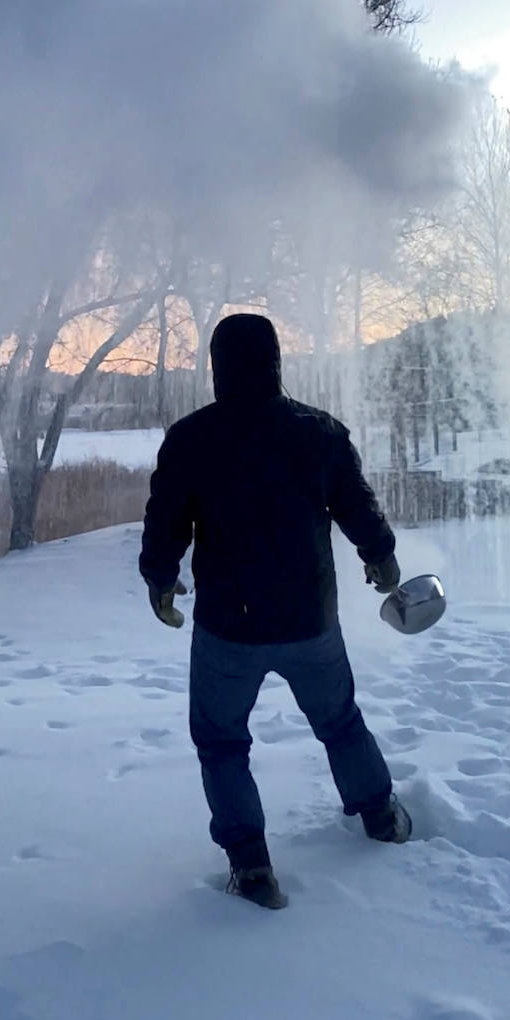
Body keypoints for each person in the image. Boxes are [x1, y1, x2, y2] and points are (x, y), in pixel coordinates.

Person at [139, 313, 411, 910]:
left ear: (217, 368)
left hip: (227, 631)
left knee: (220, 742)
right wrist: (382, 558)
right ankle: (381, 817)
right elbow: (357, 507)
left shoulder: (191, 438)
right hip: (311, 620)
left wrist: (160, 581)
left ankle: (252, 866)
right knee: (339, 721)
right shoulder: (319, 432)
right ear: (276, 362)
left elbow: (165, 524)